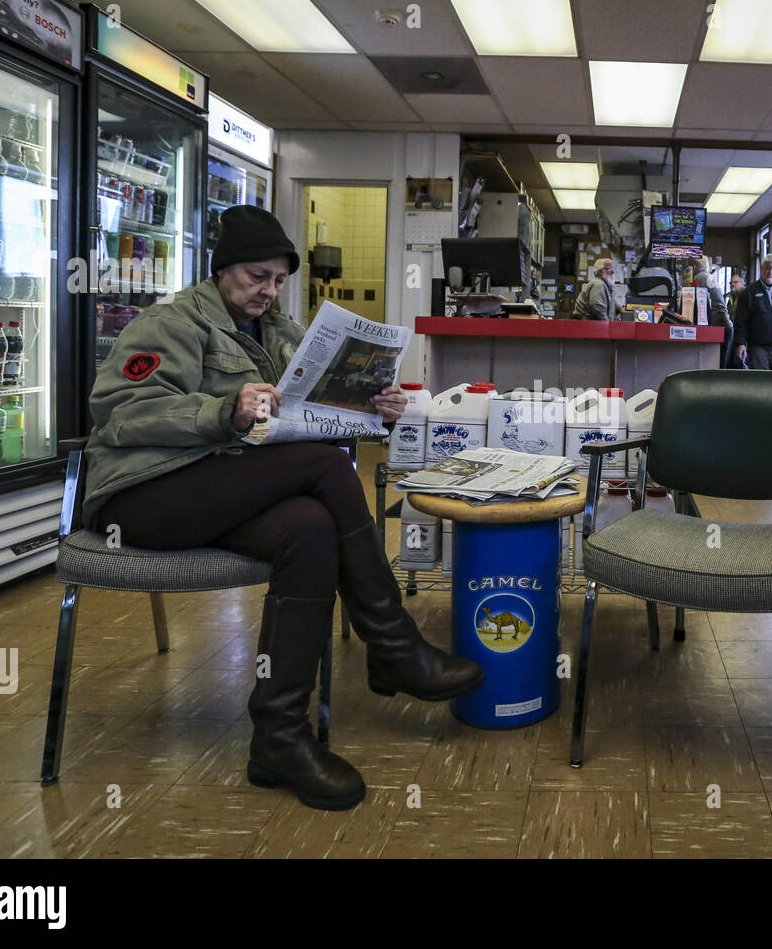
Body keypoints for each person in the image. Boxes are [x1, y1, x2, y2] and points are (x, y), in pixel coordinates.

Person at [83, 205, 482, 812]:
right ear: (222, 271)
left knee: (309, 528)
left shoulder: (281, 332)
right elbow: (118, 413)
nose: (267, 293)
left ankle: (278, 738)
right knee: (325, 468)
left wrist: (378, 405)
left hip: (217, 491)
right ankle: (393, 646)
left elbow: (317, 407)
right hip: (141, 494)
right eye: (255, 278)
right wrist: (225, 410)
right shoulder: (169, 324)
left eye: (276, 281)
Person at [724, 272, 746, 367]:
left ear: (743, 283)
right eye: (731, 282)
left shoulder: (746, 297)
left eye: (736, 282)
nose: (732, 284)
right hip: (731, 334)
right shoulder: (730, 298)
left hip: (741, 336)